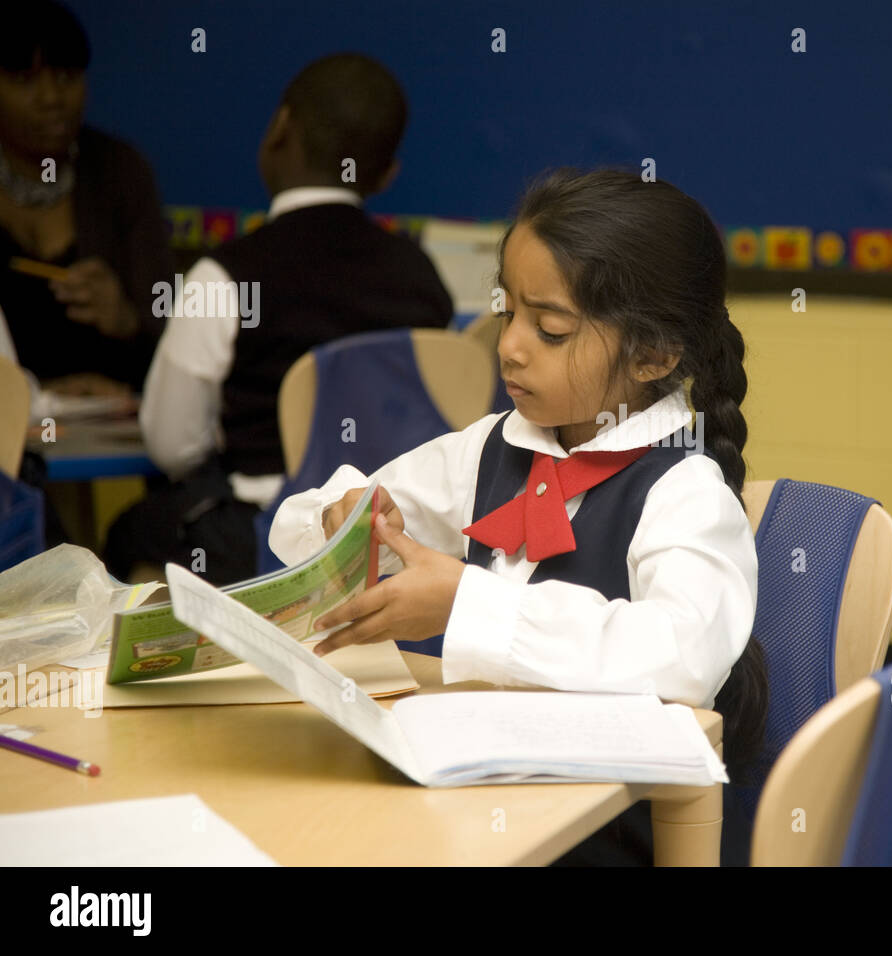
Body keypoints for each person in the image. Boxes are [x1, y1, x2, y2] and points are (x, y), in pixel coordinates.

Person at [267, 167, 769, 866]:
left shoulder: (685, 493)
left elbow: (679, 658)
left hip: (597, 831)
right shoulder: (491, 449)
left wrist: (465, 604)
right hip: (468, 803)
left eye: (551, 328)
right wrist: (348, 524)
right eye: (508, 312)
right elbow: (298, 520)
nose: (509, 345)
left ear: (654, 354)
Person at [104, 53, 454, 585]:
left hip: (260, 543)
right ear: (386, 174)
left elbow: (171, 444)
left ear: (278, 129)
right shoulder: (423, 276)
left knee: (133, 530)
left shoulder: (223, 275)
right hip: (394, 541)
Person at [0, 0, 170, 396]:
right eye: (26, 80)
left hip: (105, 421)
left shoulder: (122, 172)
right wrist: (39, 395)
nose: (51, 98)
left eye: (66, 77)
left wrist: (126, 320)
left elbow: (169, 343)